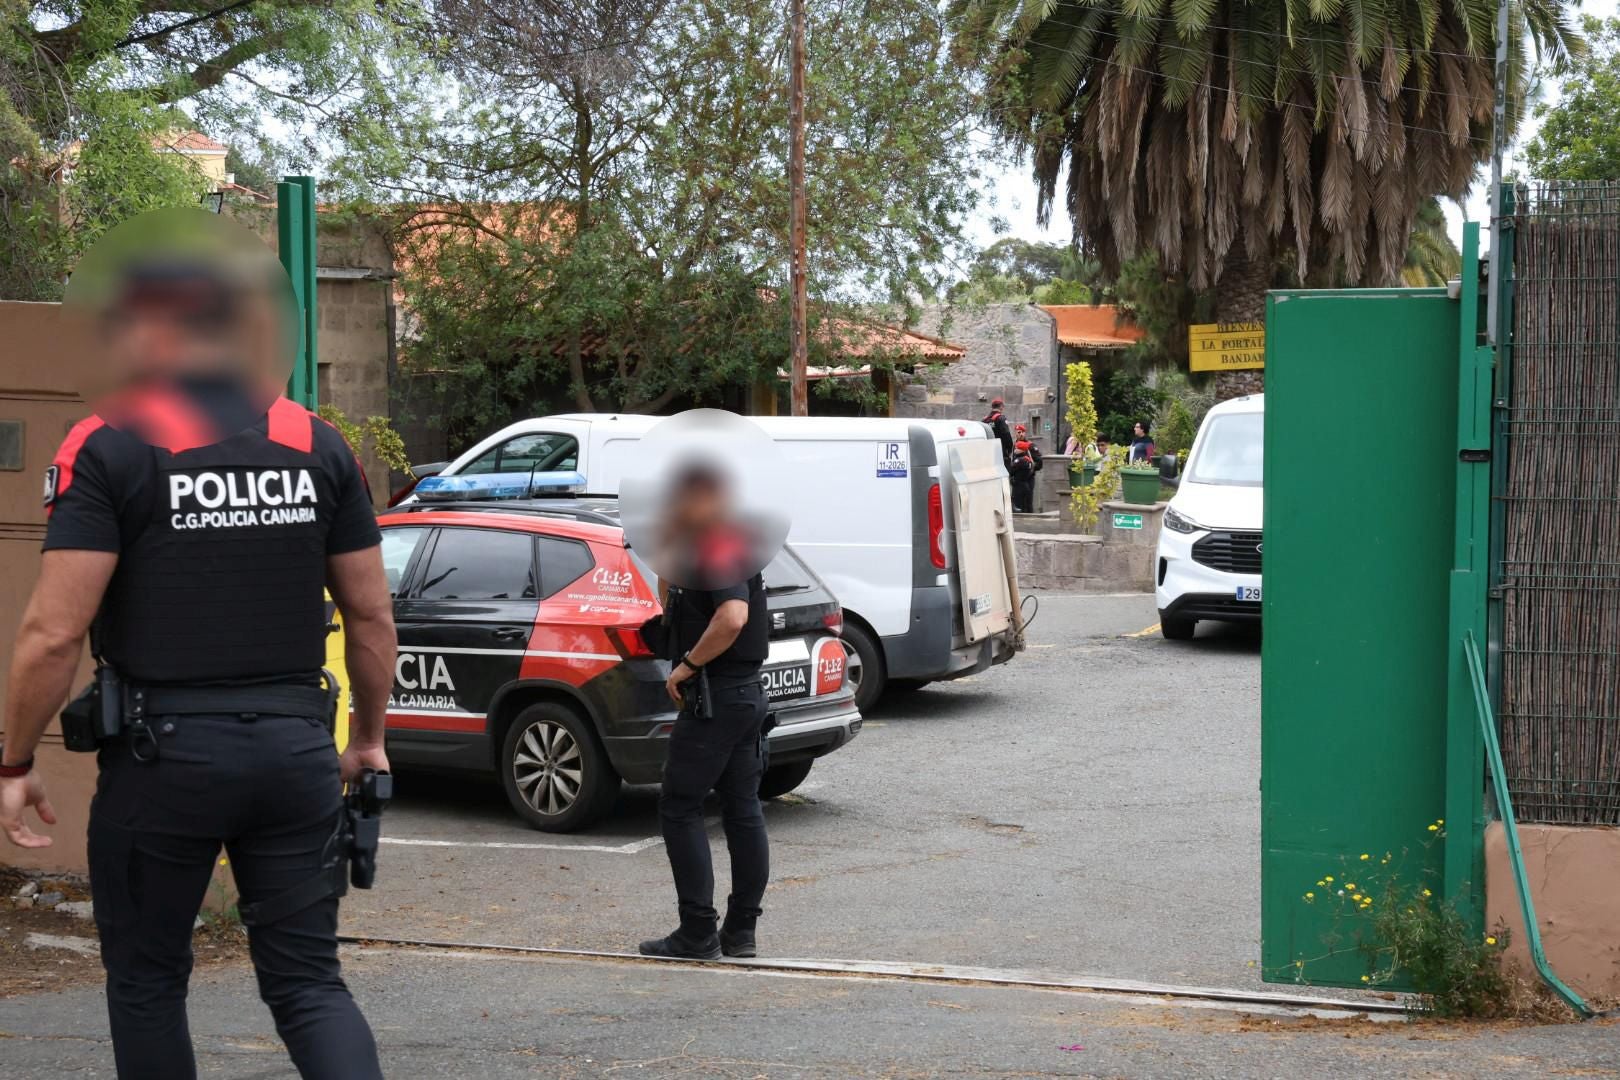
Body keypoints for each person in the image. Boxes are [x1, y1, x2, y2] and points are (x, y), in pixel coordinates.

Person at [0, 224, 395, 1080]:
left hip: (164, 762)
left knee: (147, 983)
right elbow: (370, 617)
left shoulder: (108, 443)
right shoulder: (316, 442)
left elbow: (54, 632)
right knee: (309, 985)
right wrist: (368, 740)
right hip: (296, 754)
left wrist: (16, 761)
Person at [640, 464, 771, 962]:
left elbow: (733, 616)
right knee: (742, 808)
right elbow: (673, 609)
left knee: (679, 806)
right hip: (743, 695)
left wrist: (687, 666)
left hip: (718, 696)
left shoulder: (719, 545)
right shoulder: (722, 542)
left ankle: (697, 931)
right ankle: (740, 932)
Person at [1009, 425, 1043, 512]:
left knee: (1028, 503)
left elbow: (1039, 462)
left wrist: (1029, 470)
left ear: (1025, 433)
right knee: (1017, 503)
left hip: (1028, 479)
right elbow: (1013, 460)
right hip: (1017, 479)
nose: (1020, 434)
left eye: (1022, 432)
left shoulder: (1030, 446)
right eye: (1018, 432)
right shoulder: (1014, 445)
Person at [982, 397, 1014, 468]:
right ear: (1001, 407)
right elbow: (1006, 435)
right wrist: (1010, 449)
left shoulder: (984, 420)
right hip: (1000, 452)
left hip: (988, 453)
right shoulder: (1001, 418)